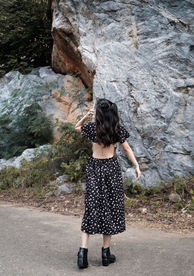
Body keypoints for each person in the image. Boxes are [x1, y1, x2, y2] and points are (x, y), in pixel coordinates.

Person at [74, 98, 141, 269]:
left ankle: (83, 253)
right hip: (111, 168)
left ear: (98, 113)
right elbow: (127, 149)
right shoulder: (116, 129)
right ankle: (105, 254)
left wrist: (84, 116)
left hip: (94, 168)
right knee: (110, 207)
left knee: (92, 207)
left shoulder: (91, 128)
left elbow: (76, 127)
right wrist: (136, 165)